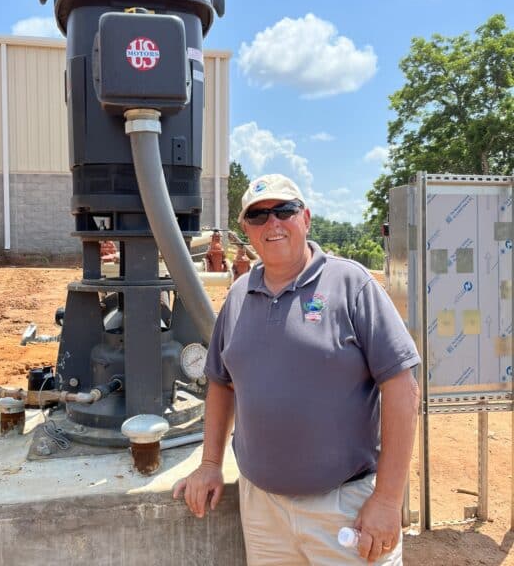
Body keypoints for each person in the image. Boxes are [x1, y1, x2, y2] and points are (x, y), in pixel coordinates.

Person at [173, 173, 420, 565]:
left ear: (305, 217)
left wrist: (388, 500)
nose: (272, 223)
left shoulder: (350, 285)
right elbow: (221, 384)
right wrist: (209, 464)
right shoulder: (238, 297)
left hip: (345, 510)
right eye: (258, 216)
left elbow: (403, 389)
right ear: (246, 231)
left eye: (283, 211)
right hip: (263, 512)